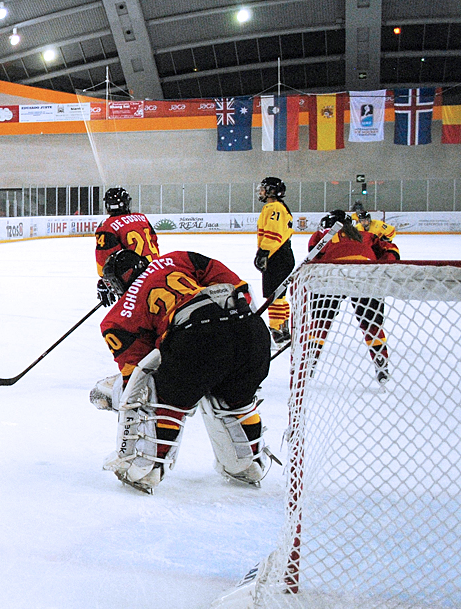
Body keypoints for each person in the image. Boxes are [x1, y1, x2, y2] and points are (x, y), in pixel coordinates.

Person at [98, 249, 273, 493]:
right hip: (251, 331)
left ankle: (147, 469)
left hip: (197, 337)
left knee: (165, 398)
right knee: (236, 397)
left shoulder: (116, 318)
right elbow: (237, 284)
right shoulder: (178, 258)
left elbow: (140, 373)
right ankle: (247, 463)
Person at [303, 209, 401, 383]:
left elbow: (313, 258)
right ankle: (381, 362)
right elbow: (390, 248)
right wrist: (382, 267)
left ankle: (311, 361)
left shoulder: (321, 234)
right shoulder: (365, 234)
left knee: (320, 322)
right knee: (372, 323)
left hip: (331, 275)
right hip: (365, 275)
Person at [94, 187, 159, 307]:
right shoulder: (142, 218)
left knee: (135, 319)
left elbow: (104, 258)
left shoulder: (107, 226)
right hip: (157, 272)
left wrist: (105, 282)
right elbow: (154, 241)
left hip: (134, 280)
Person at [254, 176, 295, 344]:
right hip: (282, 256)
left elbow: (273, 233)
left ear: (272, 191)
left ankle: (277, 329)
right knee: (280, 296)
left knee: (274, 296)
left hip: (276, 256)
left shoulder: (273, 208)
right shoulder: (279, 207)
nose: (261, 192)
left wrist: (264, 253)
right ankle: (282, 328)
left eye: (264, 189)